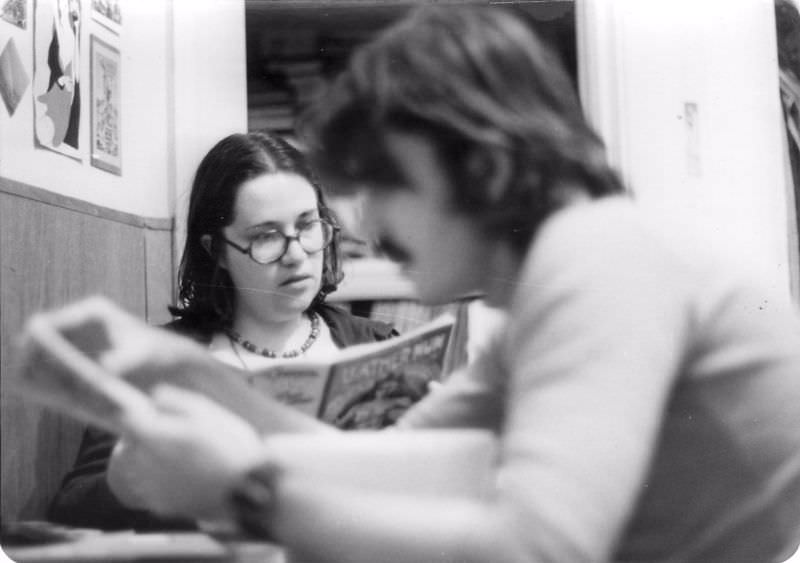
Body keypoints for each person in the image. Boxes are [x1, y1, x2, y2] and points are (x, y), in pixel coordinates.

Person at [25, 6, 800, 562]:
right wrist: (187, 372)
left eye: (387, 183)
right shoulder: (563, 278)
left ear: (486, 168)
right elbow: (395, 460)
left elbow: (538, 547)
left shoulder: (598, 261)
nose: (367, 226)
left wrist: (242, 491)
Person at [47, 132, 398, 531]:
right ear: (217, 251)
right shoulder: (155, 365)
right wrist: (125, 483)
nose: (297, 254)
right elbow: (72, 510)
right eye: (266, 236)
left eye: (307, 225)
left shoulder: (376, 345)